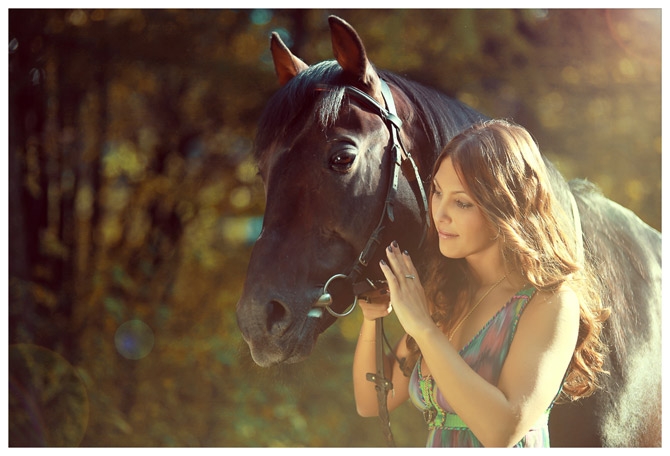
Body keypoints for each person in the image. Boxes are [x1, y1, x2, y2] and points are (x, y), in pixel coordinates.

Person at [352, 119, 610, 447]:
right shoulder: (446, 294)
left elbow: (502, 431)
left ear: (507, 206)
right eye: (438, 192)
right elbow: (372, 402)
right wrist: (373, 318)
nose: (440, 214)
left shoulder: (551, 301)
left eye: (462, 202)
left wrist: (424, 328)